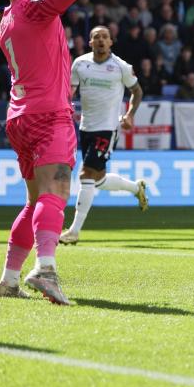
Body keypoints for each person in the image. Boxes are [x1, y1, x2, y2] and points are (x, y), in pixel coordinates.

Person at [0, 0, 114, 304]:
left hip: (18, 117)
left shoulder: (7, 19)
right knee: (57, 191)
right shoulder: (32, 7)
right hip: (48, 114)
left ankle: (9, 279)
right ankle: (45, 269)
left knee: (33, 200)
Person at [59, 25, 148, 245]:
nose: (100, 40)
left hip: (108, 128)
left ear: (111, 42)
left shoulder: (121, 67)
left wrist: (129, 115)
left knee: (85, 175)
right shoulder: (80, 64)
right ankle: (136, 188)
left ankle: (74, 231)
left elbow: (137, 91)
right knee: (97, 181)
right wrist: (64, 106)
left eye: (104, 37)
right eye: (96, 37)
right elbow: (71, 91)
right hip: (86, 127)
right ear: (90, 42)